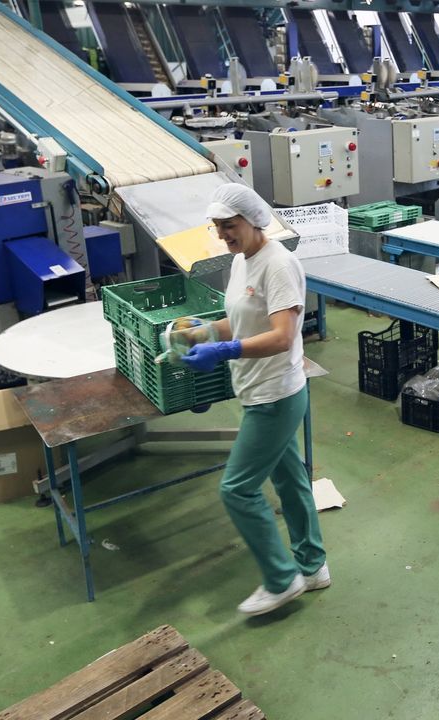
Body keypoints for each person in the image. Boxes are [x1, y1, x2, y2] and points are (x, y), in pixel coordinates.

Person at [177, 183, 328, 617]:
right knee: (291, 483)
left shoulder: (278, 265)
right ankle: (313, 566)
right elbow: (242, 319)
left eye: (230, 226)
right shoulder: (242, 262)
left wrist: (222, 351)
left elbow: (283, 336)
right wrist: (204, 332)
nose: (224, 234)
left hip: (275, 395)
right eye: (219, 227)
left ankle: (282, 579)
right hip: (259, 389)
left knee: (237, 489)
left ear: (253, 220)